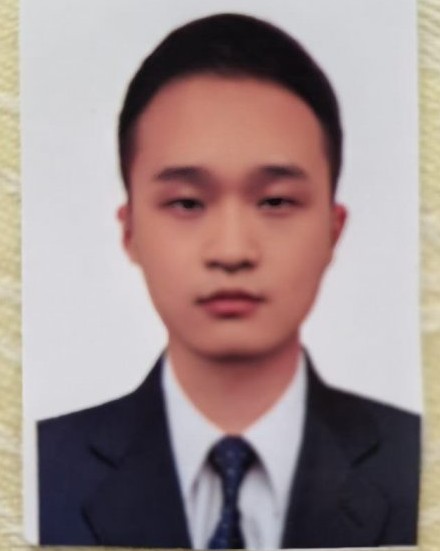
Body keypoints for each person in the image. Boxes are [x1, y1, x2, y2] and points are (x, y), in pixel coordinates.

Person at [37, 13, 420, 549]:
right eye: (187, 203)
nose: (233, 252)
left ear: (333, 230)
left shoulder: (419, 460)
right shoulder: (37, 471)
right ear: (130, 231)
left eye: (276, 201)